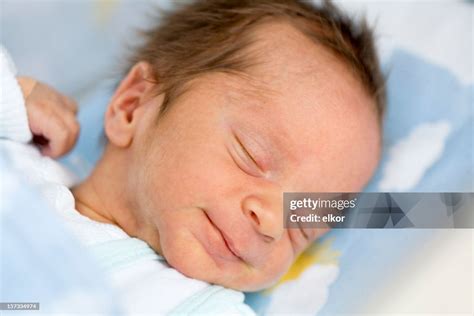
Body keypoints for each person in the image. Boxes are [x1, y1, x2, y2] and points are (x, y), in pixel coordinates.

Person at [1, 0, 385, 313]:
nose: (271, 220)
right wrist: (15, 101)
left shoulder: (194, 306)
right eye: (251, 155)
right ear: (133, 106)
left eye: (303, 225)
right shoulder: (19, 161)